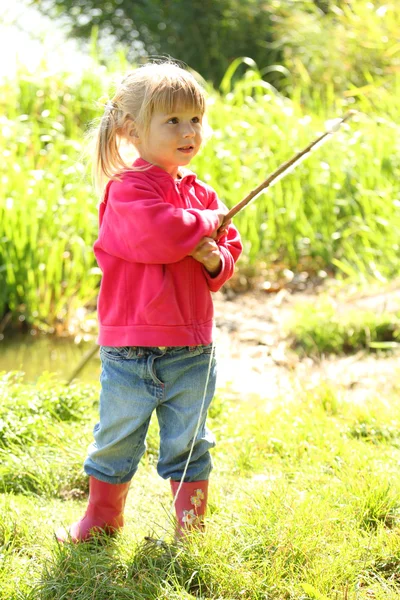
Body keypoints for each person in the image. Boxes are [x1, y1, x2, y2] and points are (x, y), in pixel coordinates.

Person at [56, 61, 242, 543]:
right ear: (132, 130)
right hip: (130, 350)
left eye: (195, 119)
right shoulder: (127, 190)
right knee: (117, 439)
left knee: (190, 443)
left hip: (192, 349)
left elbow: (230, 251)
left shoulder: (201, 192)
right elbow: (159, 232)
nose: (188, 131)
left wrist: (213, 257)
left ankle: (191, 528)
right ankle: (101, 519)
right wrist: (203, 225)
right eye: (173, 121)